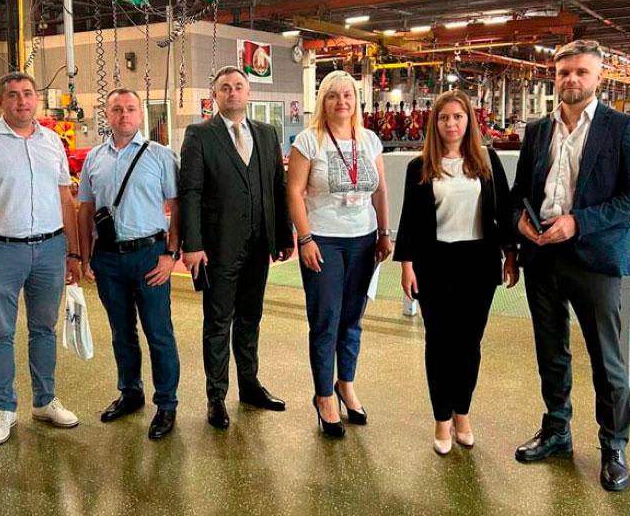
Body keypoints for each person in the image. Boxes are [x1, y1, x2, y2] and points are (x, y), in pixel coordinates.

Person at [510, 40, 630, 492]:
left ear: (598, 78)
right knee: (551, 352)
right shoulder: (537, 130)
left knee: (607, 360)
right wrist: (519, 224)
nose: (571, 79)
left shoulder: (620, 127)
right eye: (564, 72)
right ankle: (557, 430)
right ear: (555, 77)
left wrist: (578, 222)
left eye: (581, 72)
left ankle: (614, 446)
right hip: (542, 256)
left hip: (595, 258)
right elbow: (519, 193)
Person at [0, 72, 81, 445]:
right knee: (0, 332)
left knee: (44, 329)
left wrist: (73, 252)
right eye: (12, 95)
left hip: (50, 249)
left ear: (36, 98)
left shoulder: (52, 142)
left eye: (27, 93)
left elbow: (65, 200)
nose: (21, 101)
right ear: (0, 101)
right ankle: (5, 408)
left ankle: (44, 400)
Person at [394, 90, 518, 455]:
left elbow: (504, 211)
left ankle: (462, 413)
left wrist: (510, 255)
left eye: (458, 117)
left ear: (469, 121)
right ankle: (441, 419)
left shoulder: (487, 161)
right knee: (439, 344)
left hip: (478, 264)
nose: (451, 124)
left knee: (469, 345)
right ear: (435, 123)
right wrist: (407, 265)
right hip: (435, 264)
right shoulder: (420, 166)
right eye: (444, 117)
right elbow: (410, 219)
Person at [179, 65, 294, 429]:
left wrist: (283, 236)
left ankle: (250, 385)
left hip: (259, 245)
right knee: (218, 322)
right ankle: (216, 397)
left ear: (249, 93)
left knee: (250, 318)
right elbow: (190, 192)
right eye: (225, 88)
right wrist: (192, 244)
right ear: (215, 95)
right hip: (218, 247)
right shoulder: (199, 135)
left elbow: (277, 186)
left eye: (239, 86)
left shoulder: (266, 133)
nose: (232, 92)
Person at [287, 70, 391, 438]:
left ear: (356, 101)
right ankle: (324, 395)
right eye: (333, 96)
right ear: (323, 101)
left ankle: (346, 383)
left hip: (363, 240)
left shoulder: (370, 140)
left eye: (347, 95)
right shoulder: (308, 140)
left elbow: (380, 191)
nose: (341, 102)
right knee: (326, 320)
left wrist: (384, 232)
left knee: (352, 319)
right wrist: (305, 238)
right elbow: (294, 192)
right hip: (324, 241)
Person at [77, 88, 181, 440]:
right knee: (121, 333)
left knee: (158, 332)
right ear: (107, 115)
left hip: (149, 256)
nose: (124, 115)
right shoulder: (94, 159)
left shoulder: (160, 156)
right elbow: (86, 210)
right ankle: (130, 392)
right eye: (117, 109)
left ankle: (166, 403)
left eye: (131, 109)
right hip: (107, 259)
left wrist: (171, 255)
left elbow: (177, 206)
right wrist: (85, 257)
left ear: (140, 114)